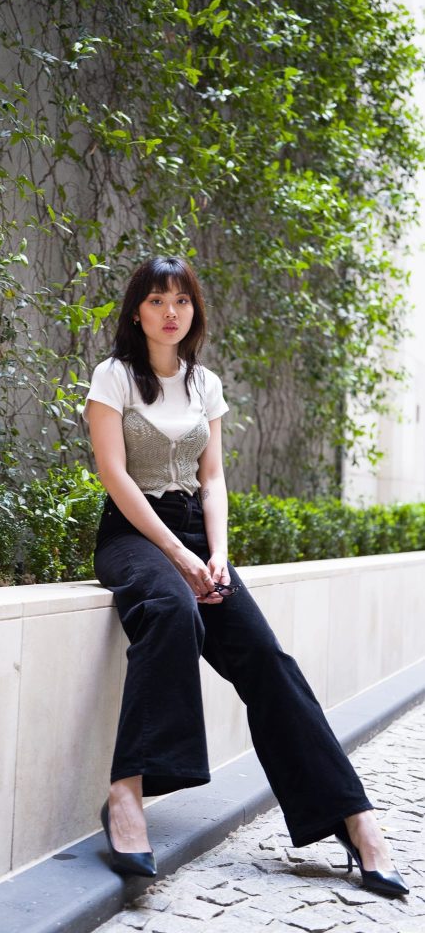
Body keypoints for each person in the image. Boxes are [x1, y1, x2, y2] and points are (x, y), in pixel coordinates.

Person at [84, 255, 408, 897]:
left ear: (194, 310)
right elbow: (115, 476)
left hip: (201, 537)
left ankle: (352, 815)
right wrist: (179, 557)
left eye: (181, 300)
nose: (170, 312)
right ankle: (128, 792)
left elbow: (213, 479)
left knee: (265, 656)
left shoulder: (205, 385)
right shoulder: (114, 376)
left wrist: (219, 555)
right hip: (133, 535)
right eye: (156, 300)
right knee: (173, 609)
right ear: (136, 311)